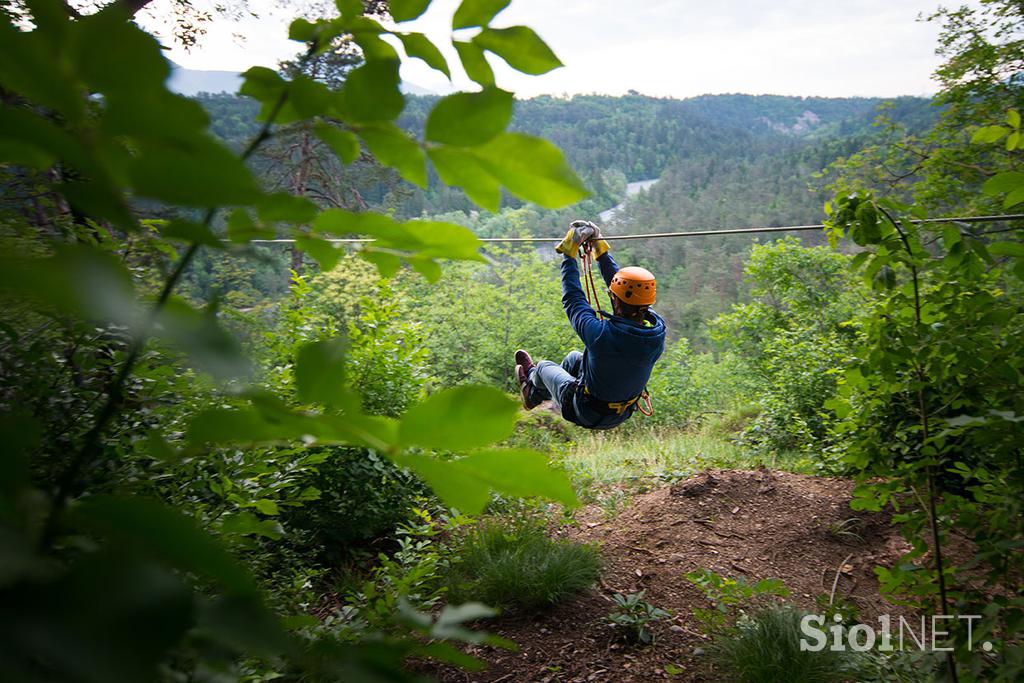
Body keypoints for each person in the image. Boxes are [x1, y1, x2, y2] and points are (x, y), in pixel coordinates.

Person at [514, 220, 666, 430]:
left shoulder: (601, 336)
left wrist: (569, 255)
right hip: (621, 411)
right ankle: (541, 393)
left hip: (586, 410)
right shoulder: (657, 332)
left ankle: (531, 390)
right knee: (573, 359)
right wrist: (600, 249)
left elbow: (573, 300)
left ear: (615, 301)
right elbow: (624, 291)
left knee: (543, 367)